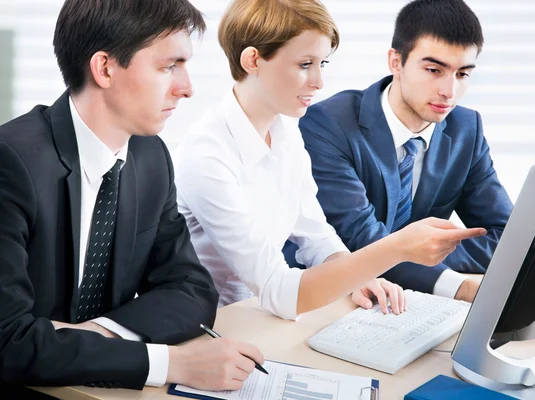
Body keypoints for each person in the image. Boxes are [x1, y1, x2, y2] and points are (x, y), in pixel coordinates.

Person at [0, 0, 264, 396]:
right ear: (105, 68)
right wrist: (172, 364)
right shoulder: (12, 162)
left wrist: (96, 333)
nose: (187, 87)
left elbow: (192, 289)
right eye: (168, 66)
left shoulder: (150, 156)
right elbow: (8, 343)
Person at [175, 0, 486, 322]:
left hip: (270, 317)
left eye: (322, 64)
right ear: (253, 59)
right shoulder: (207, 155)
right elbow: (276, 290)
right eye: (304, 64)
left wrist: (357, 276)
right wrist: (396, 248)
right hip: (219, 324)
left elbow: (315, 234)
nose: (318, 83)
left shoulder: (284, 133)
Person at [283, 0, 513, 303]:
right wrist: (458, 285)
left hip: (412, 298)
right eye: (434, 69)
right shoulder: (327, 124)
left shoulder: (465, 128)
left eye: (462, 74)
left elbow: (506, 238)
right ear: (396, 62)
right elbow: (358, 238)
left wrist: (429, 253)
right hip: (330, 298)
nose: (449, 91)